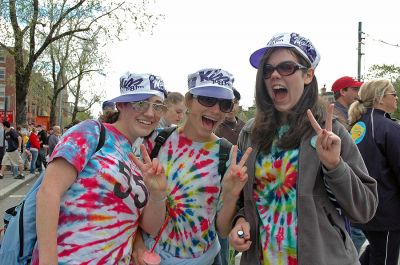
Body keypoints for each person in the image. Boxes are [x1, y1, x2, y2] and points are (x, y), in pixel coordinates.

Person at [228, 32, 378, 265]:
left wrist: (334, 166)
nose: (274, 74)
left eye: (286, 67)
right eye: (268, 70)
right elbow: (245, 201)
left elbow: (365, 208)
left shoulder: (331, 132)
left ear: (308, 75)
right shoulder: (250, 133)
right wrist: (240, 221)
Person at [32, 72, 170, 264]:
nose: (149, 113)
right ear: (121, 105)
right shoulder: (92, 132)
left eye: (157, 106)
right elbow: (49, 192)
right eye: (140, 103)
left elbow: (150, 228)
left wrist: (157, 194)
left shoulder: (141, 158)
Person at [132, 68, 252, 265]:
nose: (215, 110)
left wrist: (230, 195)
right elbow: (131, 206)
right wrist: (137, 244)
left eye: (224, 104)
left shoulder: (227, 155)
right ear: (188, 101)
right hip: (151, 257)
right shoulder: (155, 141)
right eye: (207, 99)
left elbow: (222, 230)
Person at [348, 79, 400, 265]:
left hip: (363, 206)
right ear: (379, 98)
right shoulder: (389, 127)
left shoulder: (357, 126)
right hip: (386, 210)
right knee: (385, 257)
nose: (396, 98)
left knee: (376, 250)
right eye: (393, 93)